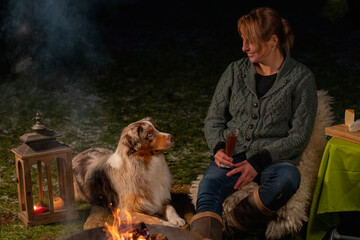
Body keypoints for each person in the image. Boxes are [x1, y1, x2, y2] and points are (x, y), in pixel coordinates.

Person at [189, 7, 318, 240]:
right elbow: (214, 119)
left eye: (251, 41)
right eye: (243, 40)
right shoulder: (234, 71)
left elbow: (299, 136)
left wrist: (258, 162)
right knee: (208, 187)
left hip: (274, 161)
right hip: (234, 156)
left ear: (272, 41)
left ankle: (231, 228)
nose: (244, 47)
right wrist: (218, 148)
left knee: (288, 179)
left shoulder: (301, 78)